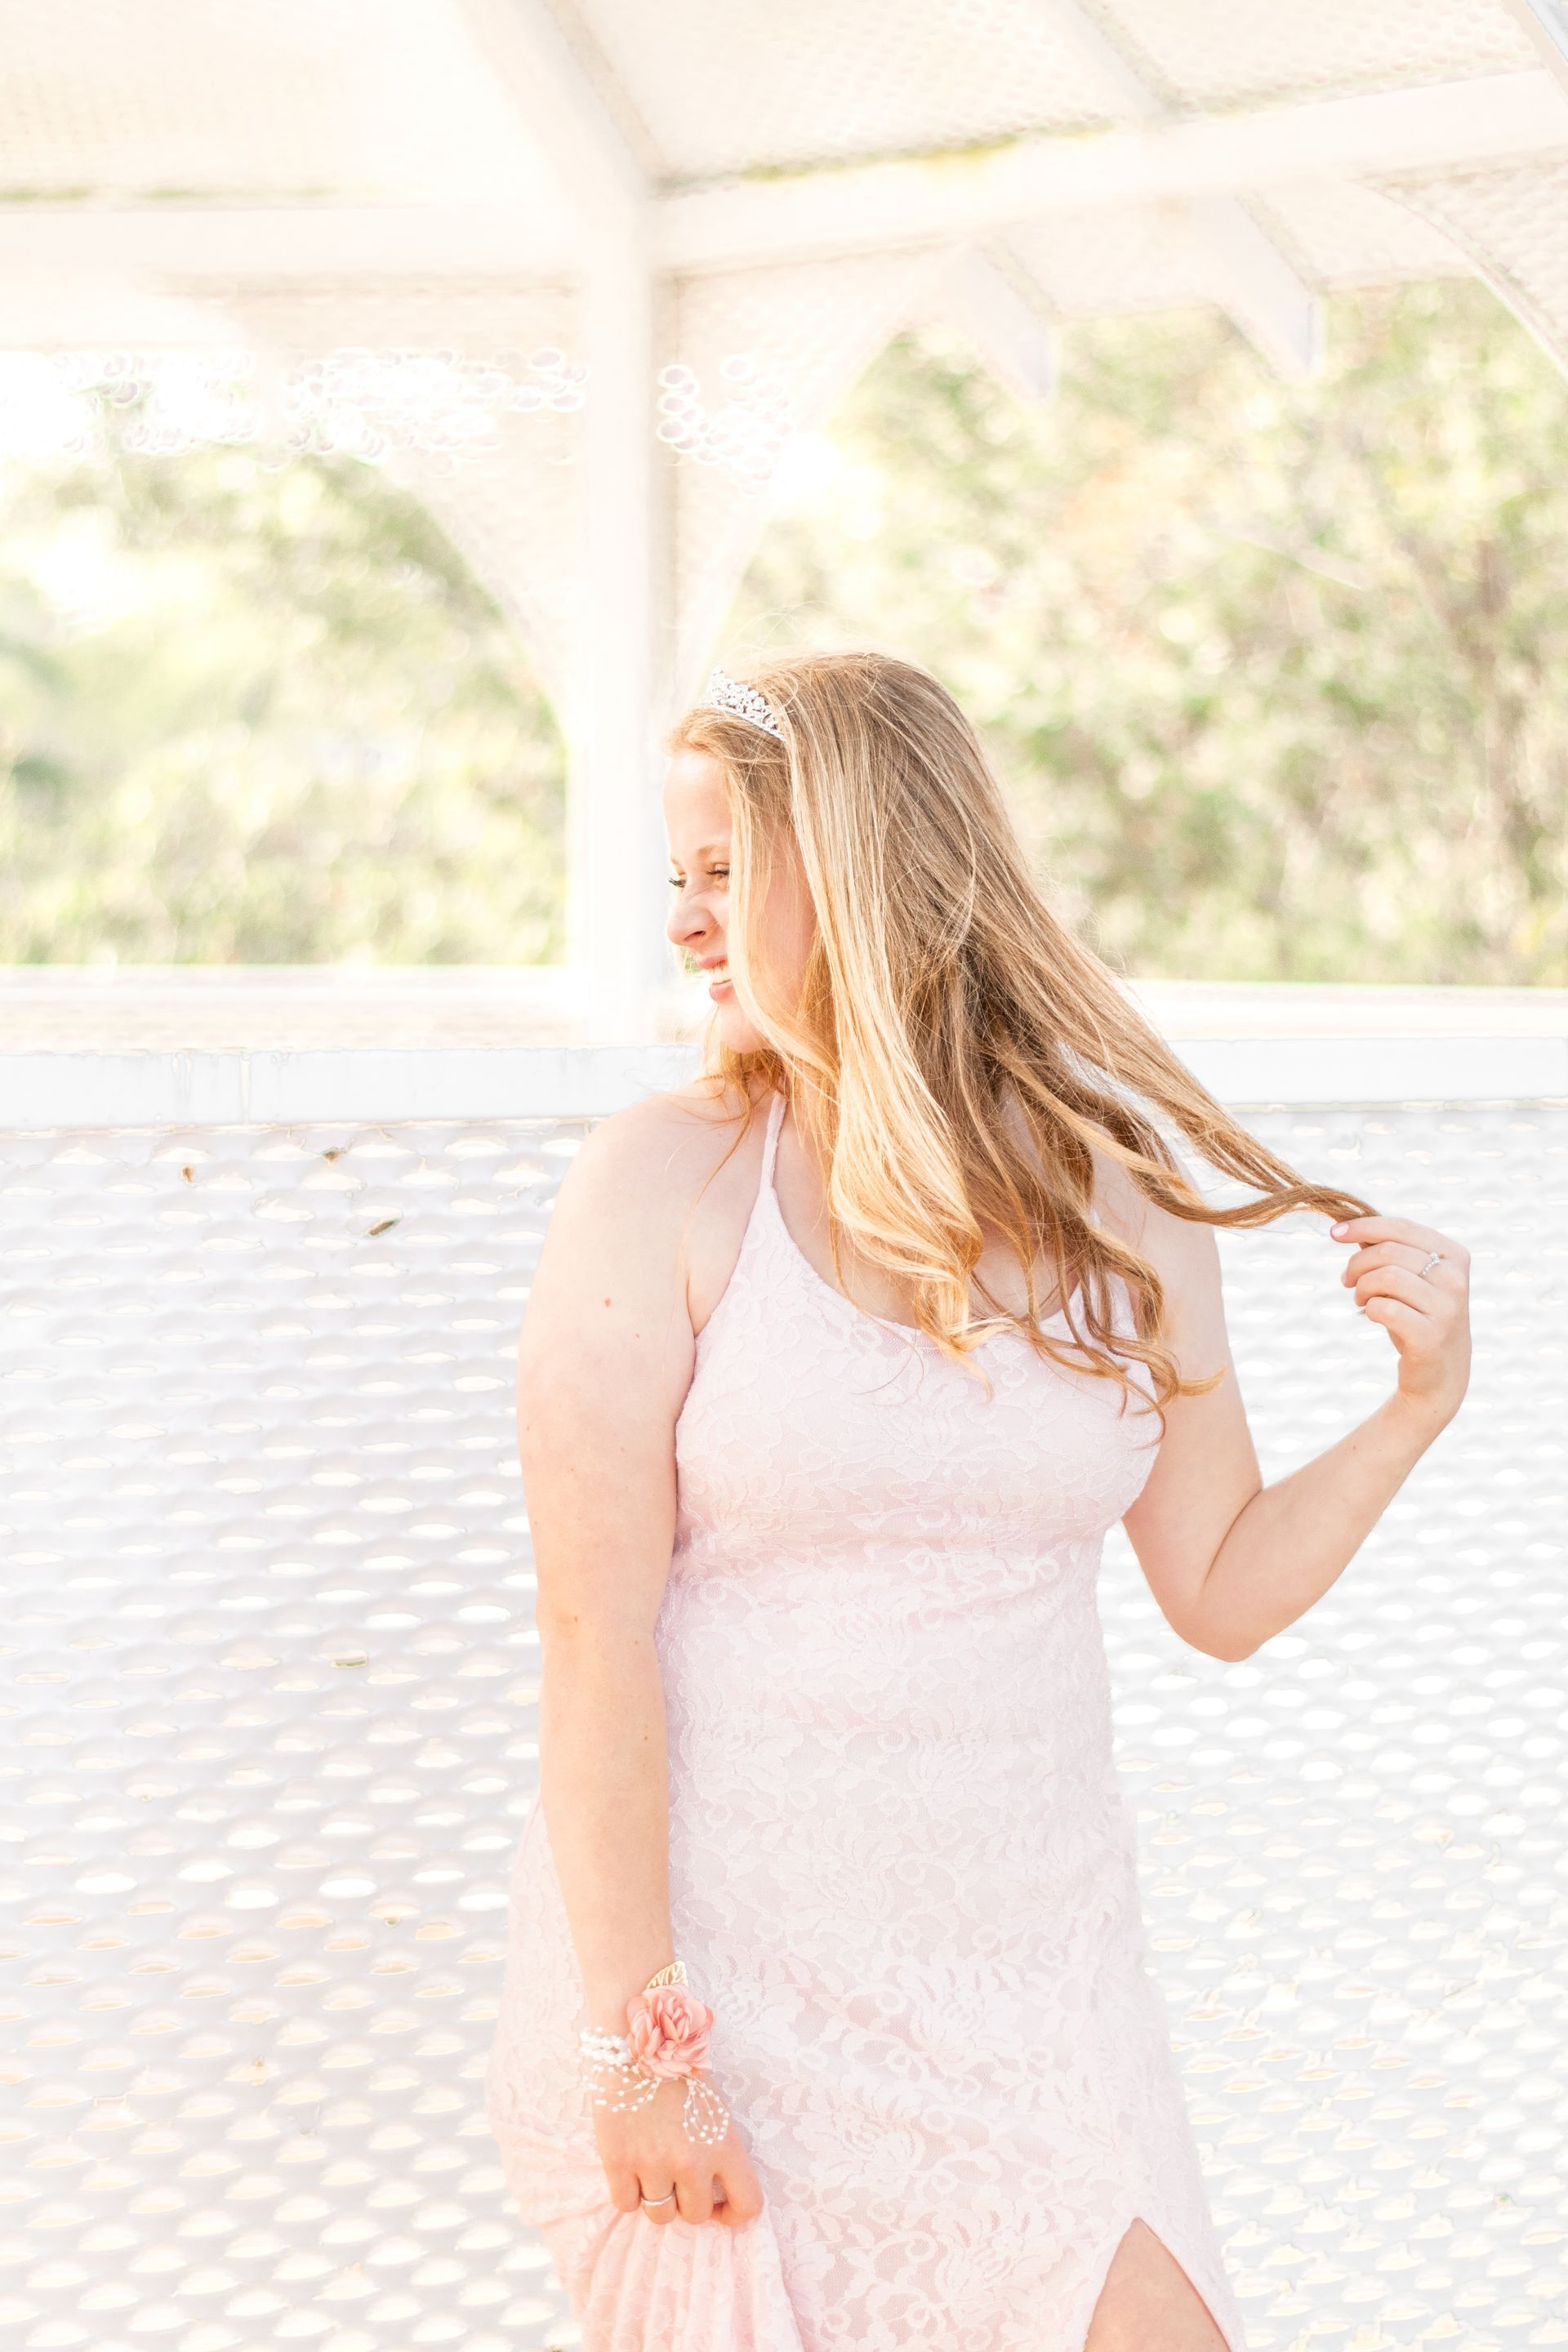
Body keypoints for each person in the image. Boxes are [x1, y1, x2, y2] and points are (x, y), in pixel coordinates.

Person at [485, 651, 1471, 2352]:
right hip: (728, 1996)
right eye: (679, 879)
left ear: (856, 870)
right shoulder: (661, 1183)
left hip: (1041, 2000)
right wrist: (630, 2049)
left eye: (724, 873)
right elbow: (594, 1644)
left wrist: (1416, 1408)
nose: (687, 924)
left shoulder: (1125, 1200)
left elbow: (1219, 1588)